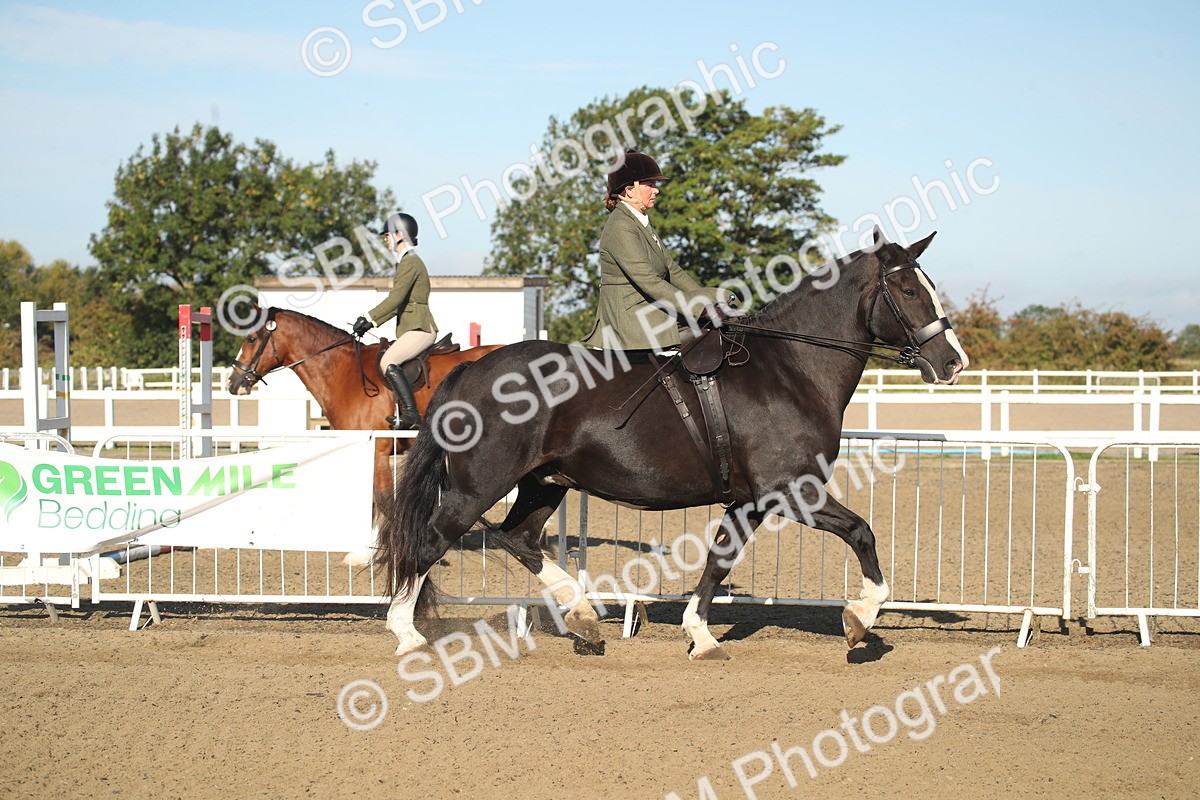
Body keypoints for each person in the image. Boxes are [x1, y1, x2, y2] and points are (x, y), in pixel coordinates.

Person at [582, 149, 732, 351]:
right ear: (630, 190)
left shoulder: (640, 221)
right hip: (632, 317)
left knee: (726, 297)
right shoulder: (620, 226)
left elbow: (672, 269)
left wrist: (704, 298)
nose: (656, 190)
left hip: (650, 305)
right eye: (650, 185)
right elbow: (649, 281)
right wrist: (699, 308)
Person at [352, 212, 437, 430]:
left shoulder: (410, 262)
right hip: (412, 327)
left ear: (400, 234)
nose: (385, 239)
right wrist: (370, 322)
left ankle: (411, 414)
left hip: (420, 328)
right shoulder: (404, 263)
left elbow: (396, 298)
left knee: (387, 361)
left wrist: (369, 318)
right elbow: (399, 305)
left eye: (387, 235)